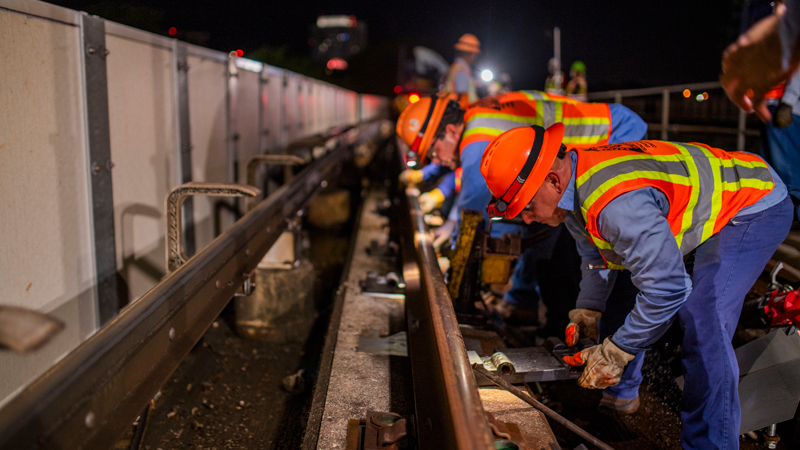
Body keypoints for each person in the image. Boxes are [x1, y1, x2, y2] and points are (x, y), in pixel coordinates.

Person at [480, 123, 792, 450]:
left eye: (526, 207)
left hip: (755, 203)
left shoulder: (615, 206)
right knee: (643, 283)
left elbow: (669, 288)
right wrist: (590, 307)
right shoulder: (571, 189)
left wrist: (618, 351)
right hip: (716, 193)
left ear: (553, 180)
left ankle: (710, 444)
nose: (527, 218)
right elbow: (596, 257)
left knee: (704, 319)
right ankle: (622, 394)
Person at [397, 90, 648, 329]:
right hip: (608, 130)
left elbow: (471, 213)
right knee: (543, 225)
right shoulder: (477, 117)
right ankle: (527, 303)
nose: (436, 161)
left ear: (450, 131)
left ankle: (603, 326)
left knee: (586, 244)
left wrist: (454, 256)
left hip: (616, 136)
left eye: (432, 152)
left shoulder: (476, 138)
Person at [442, 34, 481, 102]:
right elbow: (462, 98)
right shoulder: (462, 70)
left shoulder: (454, 67)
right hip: (464, 111)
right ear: (472, 55)